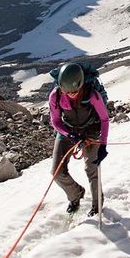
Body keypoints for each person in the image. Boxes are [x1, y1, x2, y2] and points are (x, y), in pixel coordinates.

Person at [49, 63, 109, 216]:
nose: (70, 94)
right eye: (66, 91)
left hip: (91, 131)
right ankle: (75, 194)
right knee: (57, 172)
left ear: (81, 85)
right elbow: (55, 121)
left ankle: (97, 205)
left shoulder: (92, 95)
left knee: (91, 169)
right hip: (67, 131)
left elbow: (104, 119)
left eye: (74, 91)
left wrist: (103, 145)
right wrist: (70, 135)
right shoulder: (55, 96)